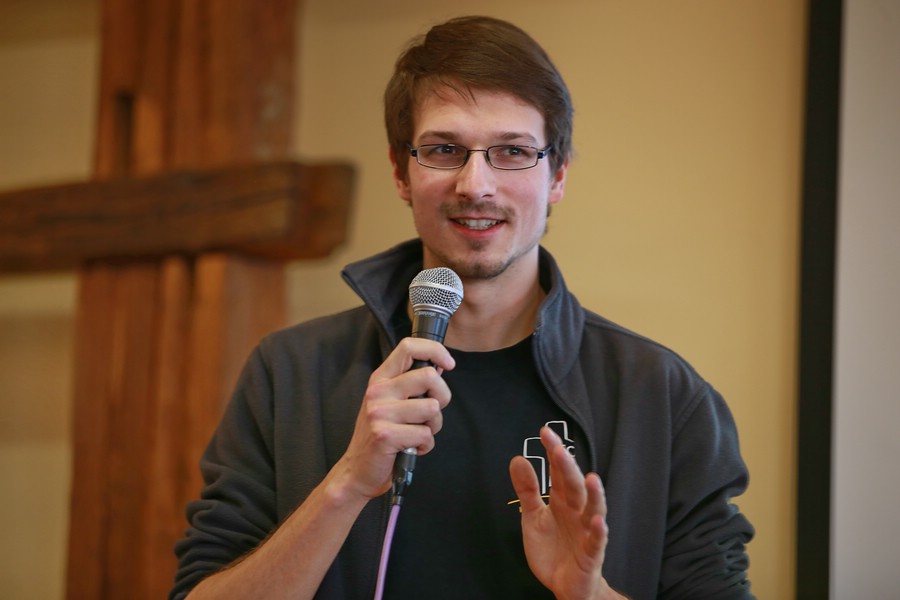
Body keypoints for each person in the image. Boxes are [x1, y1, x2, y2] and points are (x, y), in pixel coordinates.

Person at [170, 15, 755, 600]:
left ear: (557, 176)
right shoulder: (290, 374)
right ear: (401, 172)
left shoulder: (662, 396)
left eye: (513, 151)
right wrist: (345, 485)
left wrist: (591, 595)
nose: (475, 185)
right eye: (445, 150)